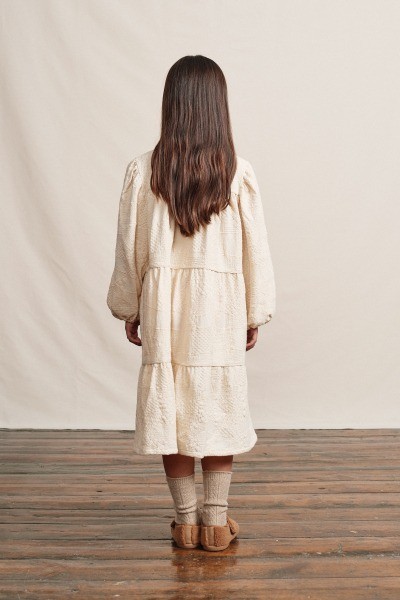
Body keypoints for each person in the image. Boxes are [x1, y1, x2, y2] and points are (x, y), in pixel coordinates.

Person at [106, 55, 276, 551]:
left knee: (173, 410)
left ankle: (185, 523)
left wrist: (131, 305)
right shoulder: (237, 172)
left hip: (166, 308)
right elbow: (256, 250)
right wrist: (254, 311)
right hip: (218, 307)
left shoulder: (143, 170)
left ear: (171, 104)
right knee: (215, 405)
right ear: (218, 107)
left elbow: (130, 247)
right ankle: (215, 524)